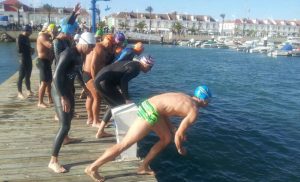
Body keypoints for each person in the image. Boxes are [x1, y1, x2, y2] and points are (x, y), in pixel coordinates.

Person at [85, 85, 212, 181]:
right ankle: (92, 168)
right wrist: (180, 148)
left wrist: (172, 128)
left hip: (150, 105)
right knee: (125, 144)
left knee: (166, 138)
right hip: (150, 112)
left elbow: (165, 111)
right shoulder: (194, 111)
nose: (208, 103)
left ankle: (143, 167)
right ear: (205, 100)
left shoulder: (184, 96)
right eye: (209, 101)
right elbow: (179, 135)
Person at [48, 32, 96, 173]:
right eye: (91, 47)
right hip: (59, 91)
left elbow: (77, 72)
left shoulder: (79, 55)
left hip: (69, 90)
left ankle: (66, 138)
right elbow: (56, 76)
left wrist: (84, 87)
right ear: (84, 44)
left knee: (69, 118)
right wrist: (63, 97)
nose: (92, 50)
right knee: (64, 125)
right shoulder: (68, 54)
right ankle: (53, 161)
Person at [94, 56, 154, 138]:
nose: (149, 70)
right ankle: (126, 133)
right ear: (145, 64)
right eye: (150, 67)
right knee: (123, 106)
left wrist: (121, 90)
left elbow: (120, 75)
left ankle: (100, 131)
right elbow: (124, 81)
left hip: (98, 81)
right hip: (105, 83)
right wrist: (127, 98)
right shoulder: (136, 68)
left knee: (113, 106)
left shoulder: (132, 63)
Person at [82, 34, 116, 127]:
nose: (112, 47)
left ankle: (90, 119)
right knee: (97, 98)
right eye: (112, 45)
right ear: (108, 42)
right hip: (90, 75)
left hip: (86, 73)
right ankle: (95, 121)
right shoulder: (99, 48)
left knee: (90, 97)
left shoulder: (100, 47)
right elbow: (93, 66)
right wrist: (95, 80)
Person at [36, 23, 57, 108]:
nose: (56, 32)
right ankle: (40, 102)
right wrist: (53, 36)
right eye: (54, 31)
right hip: (42, 61)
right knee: (44, 82)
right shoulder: (42, 36)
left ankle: (49, 99)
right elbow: (51, 45)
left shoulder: (47, 36)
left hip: (47, 62)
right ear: (50, 30)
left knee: (49, 82)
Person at [16, 24, 34, 99]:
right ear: (26, 30)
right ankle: (19, 92)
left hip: (28, 58)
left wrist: (31, 50)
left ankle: (28, 90)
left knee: (28, 76)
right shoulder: (19, 37)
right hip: (23, 58)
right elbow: (19, 50)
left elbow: (28, 48)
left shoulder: (27, 38)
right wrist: (29, 49)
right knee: (21, 76)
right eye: (30, 31)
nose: (31, 33)